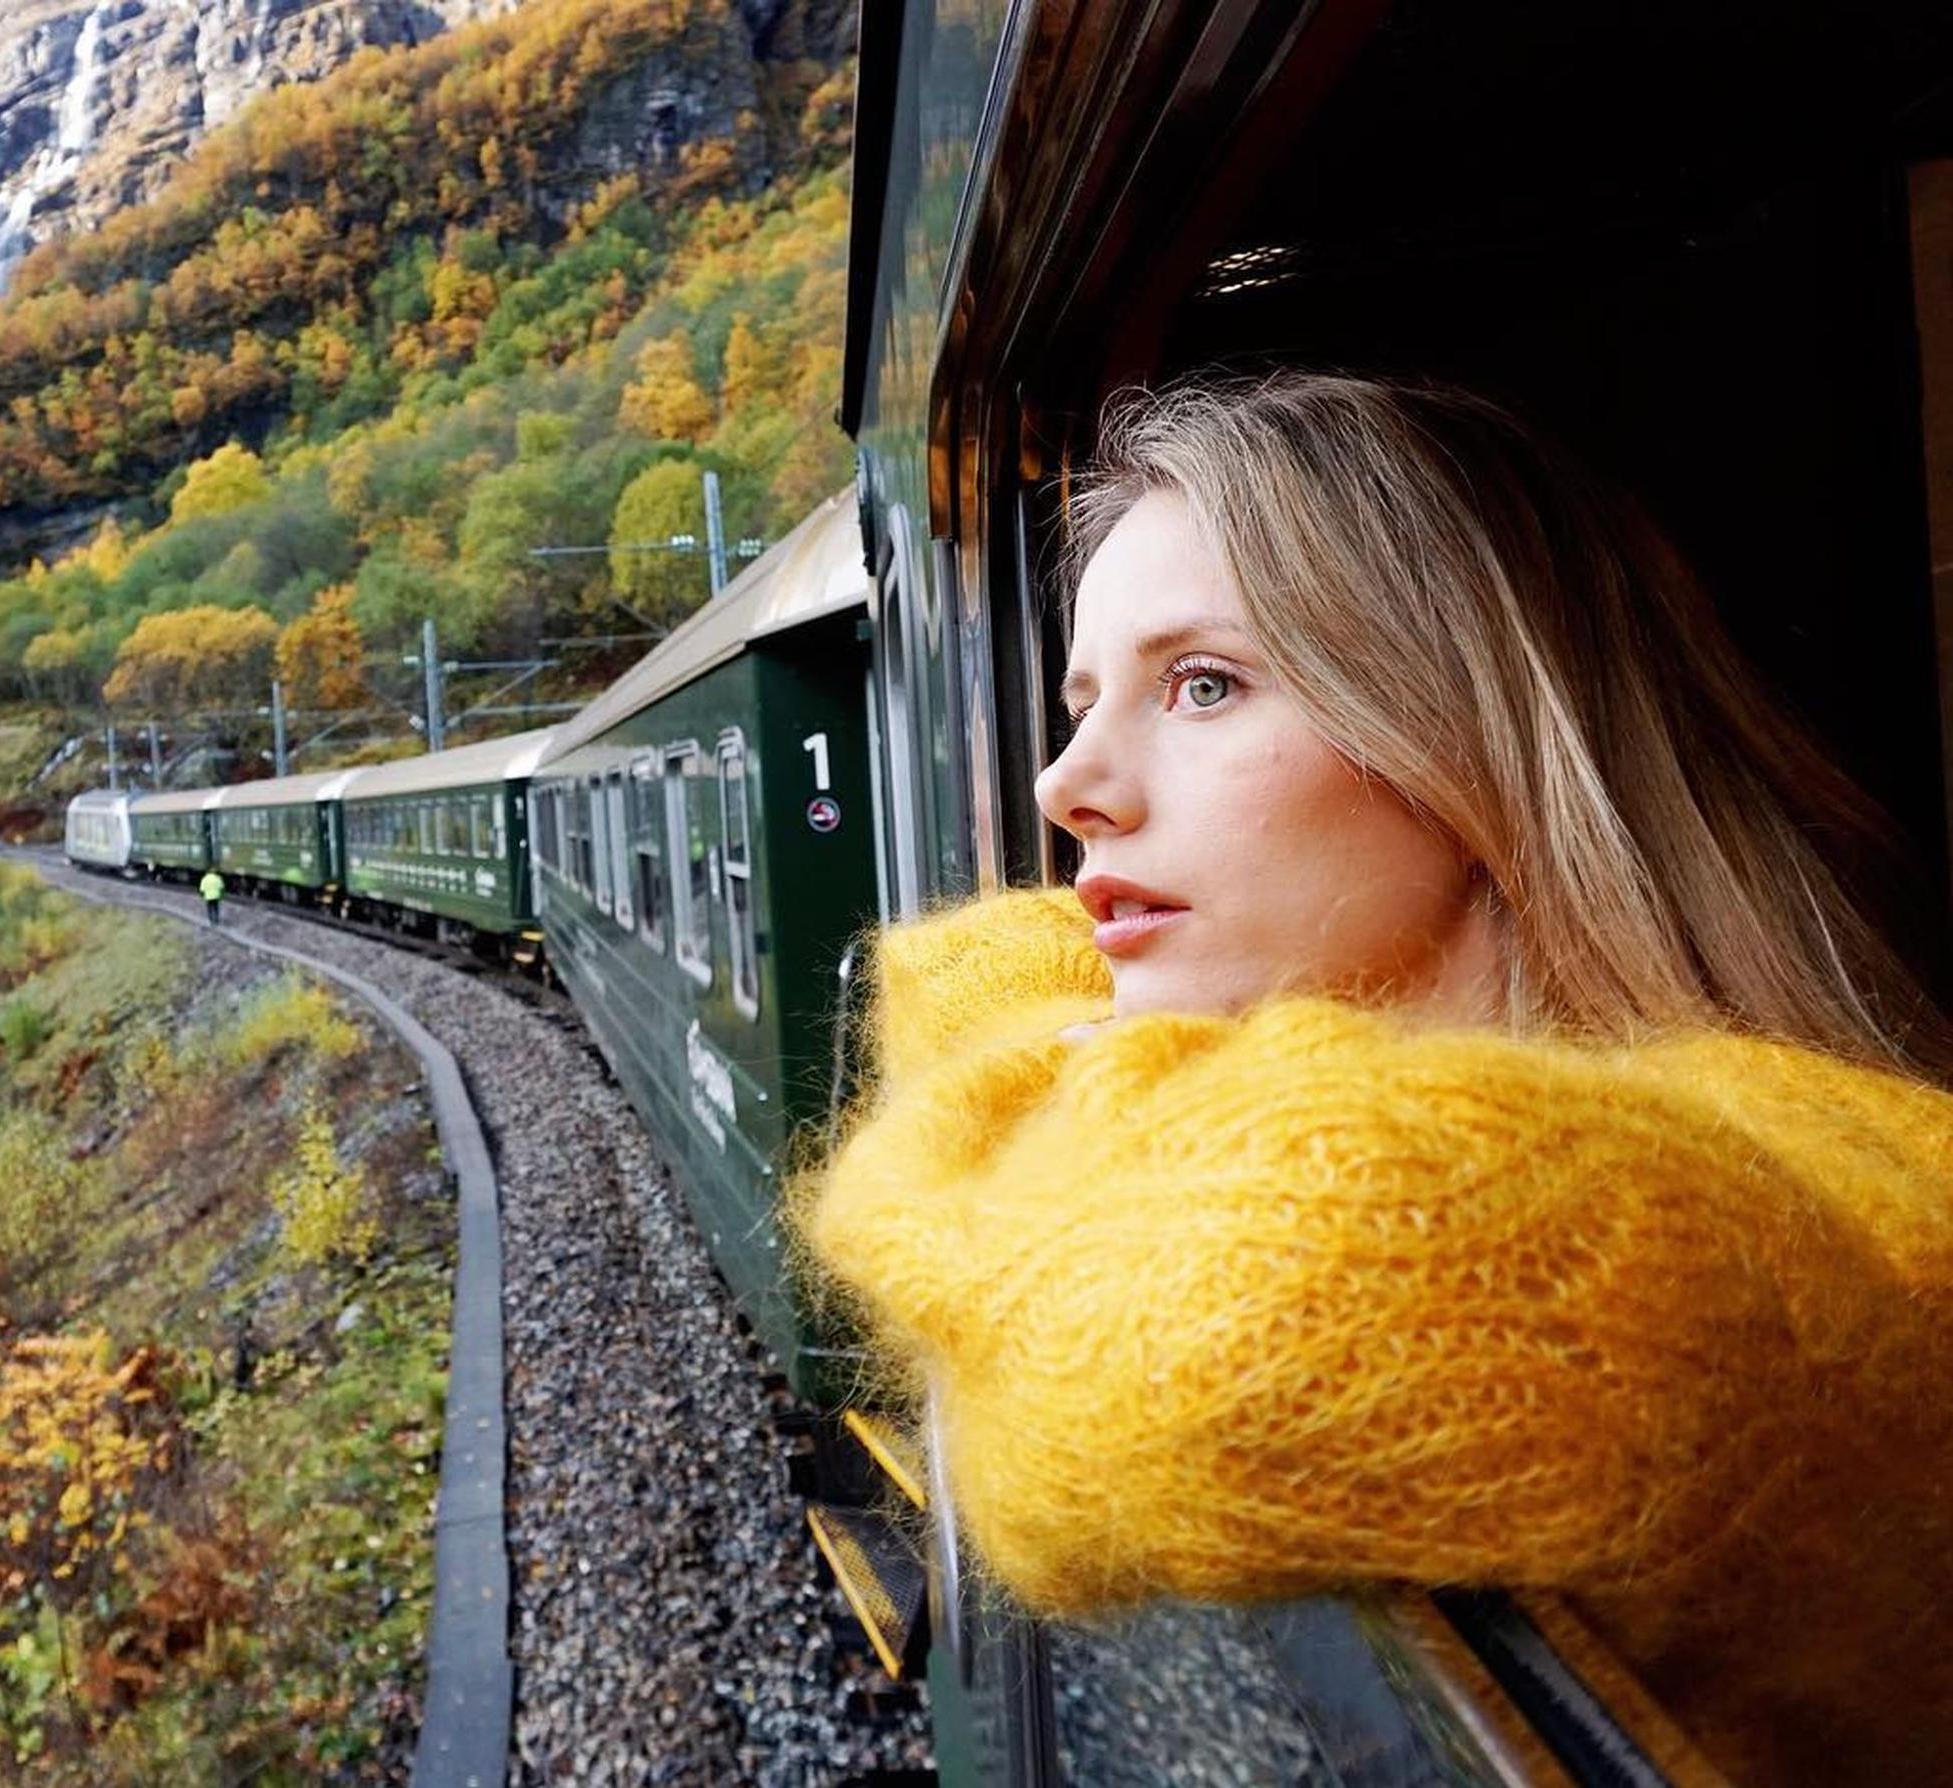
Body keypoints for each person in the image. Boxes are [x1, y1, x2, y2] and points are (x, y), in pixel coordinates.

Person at [804, 373, 1953, 1786]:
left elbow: (1243, 1311)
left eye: (1205, 684)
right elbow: (971, 986)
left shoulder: (1844, 1185)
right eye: (1083, 702)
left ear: (1467, 736)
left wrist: (1004, 1108)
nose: (1064, 783)